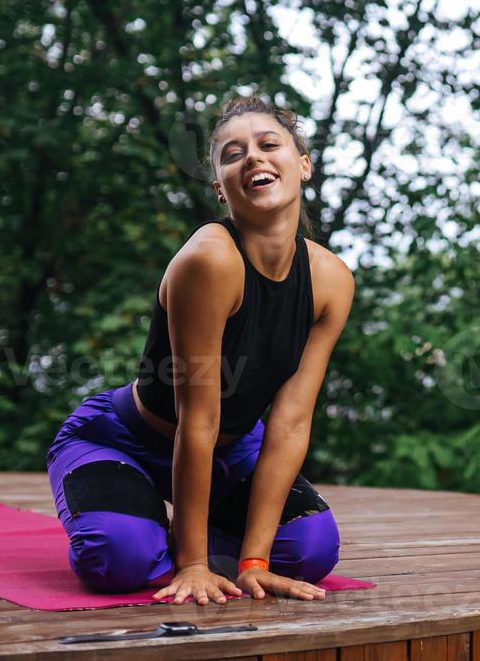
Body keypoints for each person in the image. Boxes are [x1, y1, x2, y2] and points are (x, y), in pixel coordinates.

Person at [45, 94, 355, 605]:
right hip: (125, 438)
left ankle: (185, 533)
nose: (252, 157)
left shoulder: (331, 281)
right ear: (221, 189)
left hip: (230, 450)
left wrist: (255, 562)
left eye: (268, 144)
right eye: (233, 154)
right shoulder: (209, 260)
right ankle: (153, 526)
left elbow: (292, 423)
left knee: (308, 551)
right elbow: (199, 420)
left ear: (303, 164)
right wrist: (191, 566)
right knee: (117, 559)